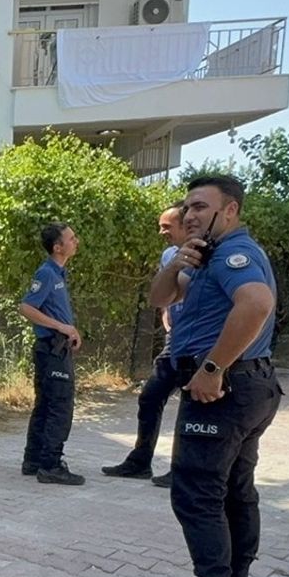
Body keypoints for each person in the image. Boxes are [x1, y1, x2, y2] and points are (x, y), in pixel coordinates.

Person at [146, 175, 282, 577]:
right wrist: (178, 261)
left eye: (201, 207)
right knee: (233, 494)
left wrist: (211, 367)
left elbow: (257, 303)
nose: (189, 215)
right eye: (186, 208)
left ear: (231, 211)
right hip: (250, 386)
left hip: (222, 390)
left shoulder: (232, 255)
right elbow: (160, 298)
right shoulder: (205, 257)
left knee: (197, 495)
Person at [102, 204, 185, 487]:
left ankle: (182, 469)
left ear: (185, 225)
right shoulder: (170, 255)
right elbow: (164, 293)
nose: (162, 231)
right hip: (175, 340)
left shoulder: (205, 255)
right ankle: (140, 461)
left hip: (198, 344)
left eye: (167, 226)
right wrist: (166, 315)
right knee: (150, 397)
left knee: (191, 405)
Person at [18, 223, 84, 486]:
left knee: (45, 404)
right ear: (58, 247)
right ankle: (51, 464)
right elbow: (26, 307)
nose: (75, 241)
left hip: (57, 346)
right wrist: (60, 327)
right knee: (60, 406)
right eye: (71, 238)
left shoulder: (59, 274)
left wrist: (70, 330)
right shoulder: (46, 273)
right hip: (50, 349)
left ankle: (33, 460)